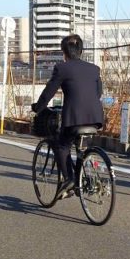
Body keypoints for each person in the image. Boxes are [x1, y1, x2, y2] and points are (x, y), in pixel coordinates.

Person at [32, 34, 104, 196]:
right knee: (80, 148)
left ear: (64, 52)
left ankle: (69, 179)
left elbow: (49, 92)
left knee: (61, 145)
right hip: (95, 118)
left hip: (74, 118)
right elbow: (98, 93)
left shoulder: (62, 68)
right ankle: (85, 179)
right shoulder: (94, 69)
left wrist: (38, 107)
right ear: (81, 51)